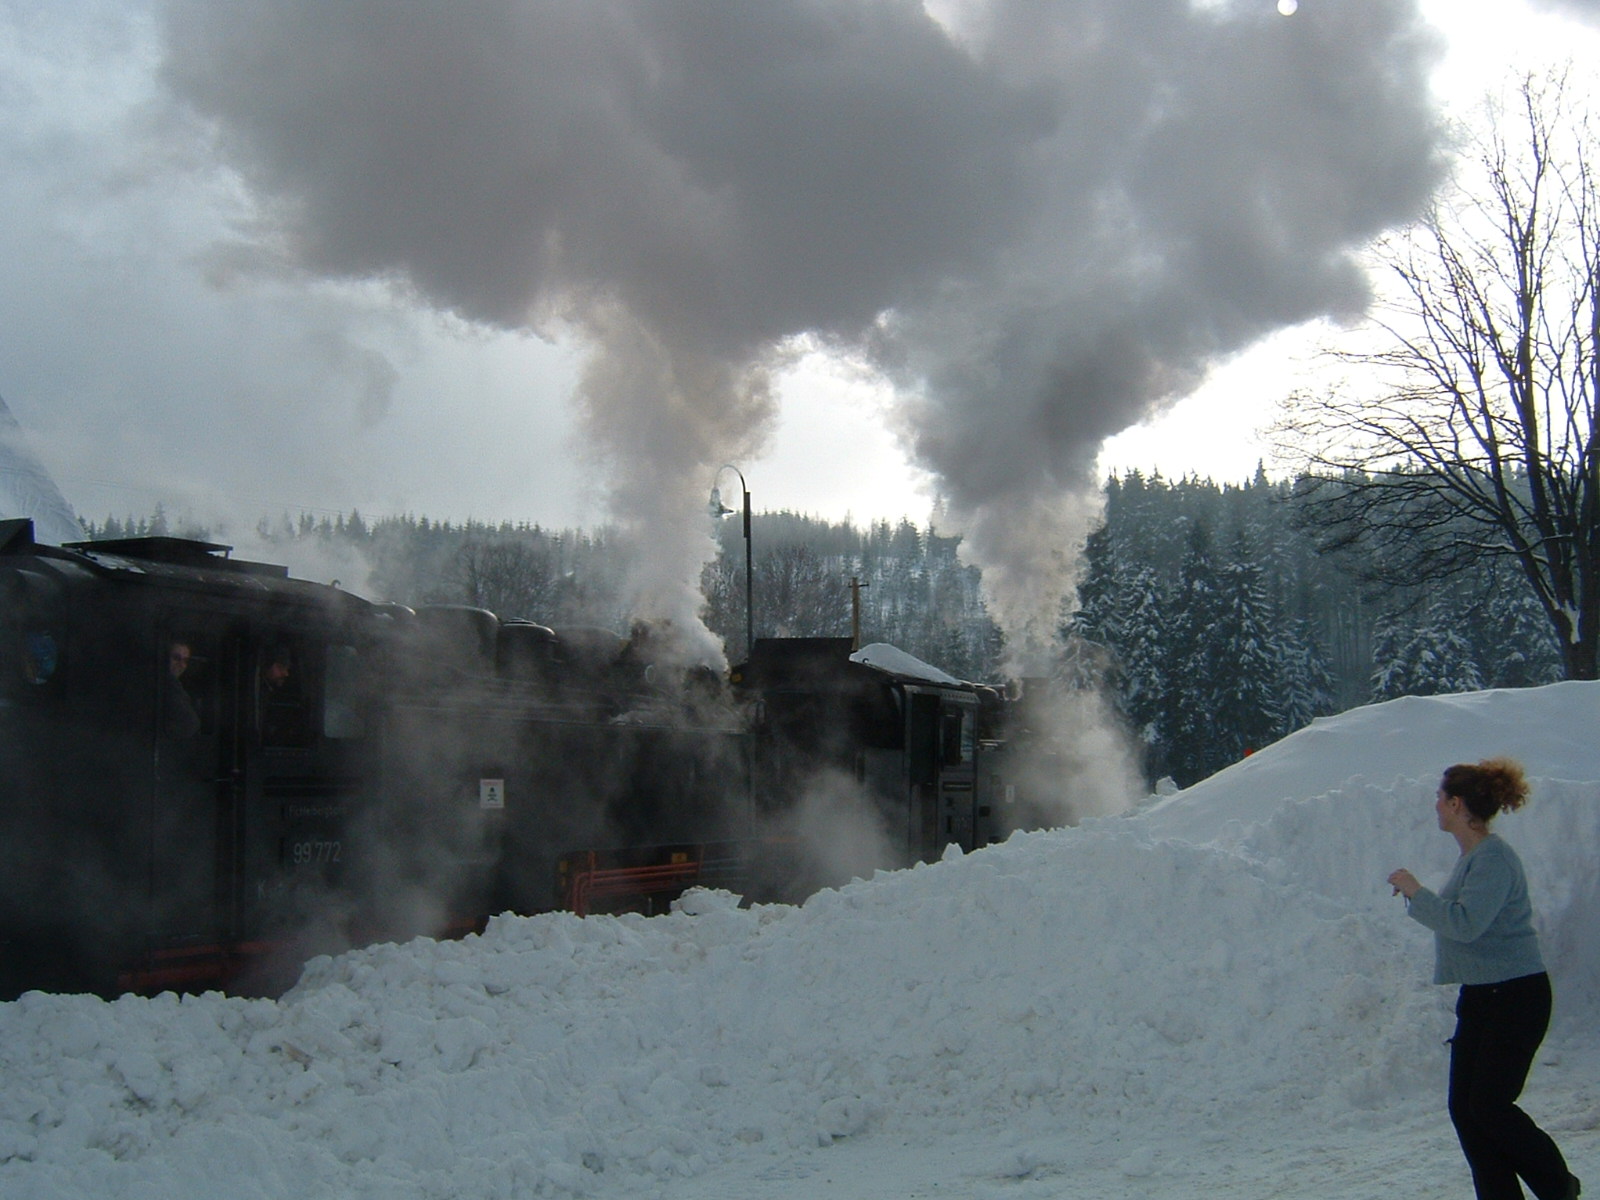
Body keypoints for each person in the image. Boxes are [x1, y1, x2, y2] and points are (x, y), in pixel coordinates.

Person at [1388, 760, 1580, 1200]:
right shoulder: (1474, 857)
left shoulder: (1494, 858)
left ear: (1457, 804)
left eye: (1440, 798)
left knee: (1489, 1107)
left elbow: (1466, 923)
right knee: (1466, 1109)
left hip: (1516, 994)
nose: (1435, 805)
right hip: (1483, 996)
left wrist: (1417, 892)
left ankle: (1557, 1187)